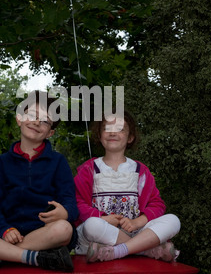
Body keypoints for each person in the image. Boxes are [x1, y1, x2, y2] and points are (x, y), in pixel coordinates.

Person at [0, 91, 78, 274]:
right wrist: (4, 229)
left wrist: (65, 212)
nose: (37, 122)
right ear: (19, 119)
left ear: (50, 132)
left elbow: (71, 203)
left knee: (64, 229)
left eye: (45, 121)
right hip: (7, 232)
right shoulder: (2, 163)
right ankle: (32, 258)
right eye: (32, 115)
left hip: (42, 233)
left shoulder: (58, 162)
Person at [74, 110, 181, 263]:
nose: (112, 133)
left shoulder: (141, 171)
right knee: (92, 225)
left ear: (130, 137)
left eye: (120, 129)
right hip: (101, 234)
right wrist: (103, 218)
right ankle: (144, 250)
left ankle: (120, 250)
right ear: (99, 135)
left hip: (135, 231)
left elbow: (157, 204)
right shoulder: (88, 169)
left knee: (173, 220)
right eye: (107, 128)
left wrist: (138, 222)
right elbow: (77, 203)